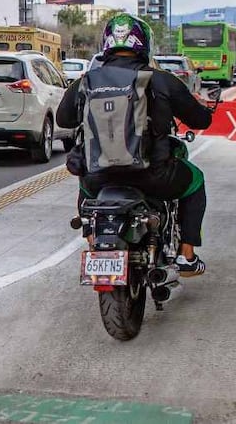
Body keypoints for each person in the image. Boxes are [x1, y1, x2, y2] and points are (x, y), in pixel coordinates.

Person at [56, 14, 214, 277]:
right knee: (196, 180)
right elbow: (201, 120)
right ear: (144, 44)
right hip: (155, 176)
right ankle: (187, 256)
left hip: (99, 178)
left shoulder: (86, 81)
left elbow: (63, 119)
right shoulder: (161, 79)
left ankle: (94, 242)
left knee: (85, 184)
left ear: (106, 43)